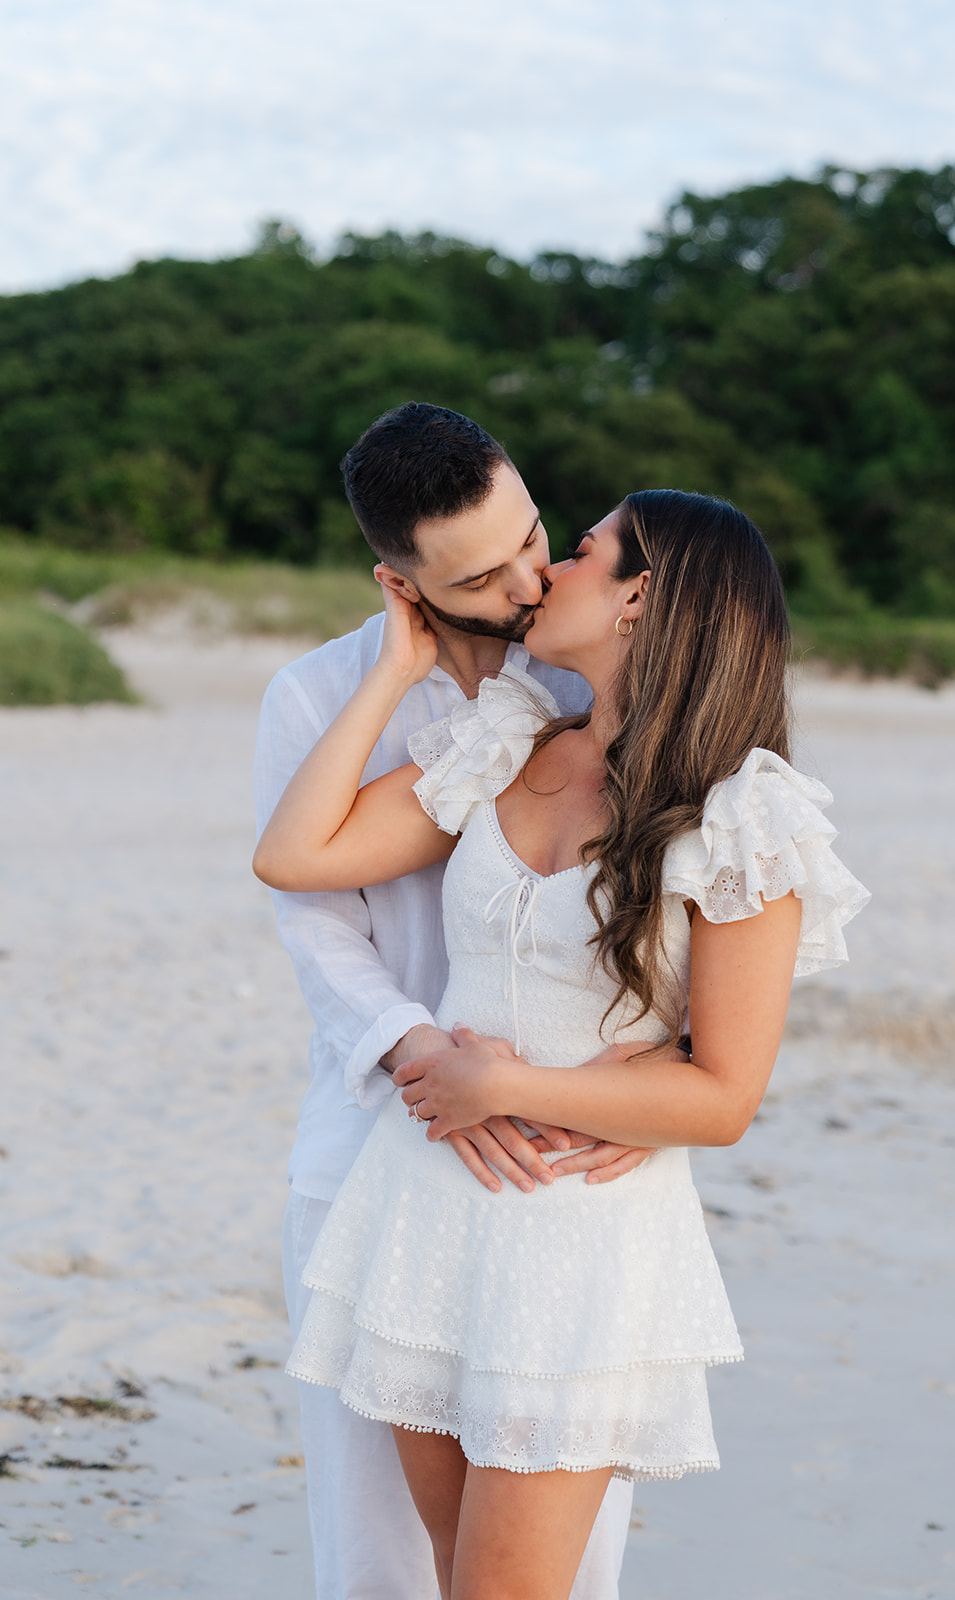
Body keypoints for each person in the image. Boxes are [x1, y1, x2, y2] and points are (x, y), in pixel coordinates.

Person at [255, 485, 870, 1600]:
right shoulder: (503, 746)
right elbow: (294, 855)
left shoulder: (741, 815)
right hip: (424, 1212)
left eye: (578, 551)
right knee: (446, 1579)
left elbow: (726, 1094)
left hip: (573, 1240)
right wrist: (394, 668)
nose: (545, 577)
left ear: (638, 596)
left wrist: (506, 1080)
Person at [254, 403, 648, 1600]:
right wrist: (426, 1058)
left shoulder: (580, 674)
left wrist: (637, 1081)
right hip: (373, 1149)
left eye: (533, 535)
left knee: (566, 1567)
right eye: (480, 573)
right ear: (400, 579)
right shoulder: (317, 697)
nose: (529, 579)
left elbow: (670, 895)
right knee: (376, 1556)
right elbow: (309, 911)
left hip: (554, 1167)